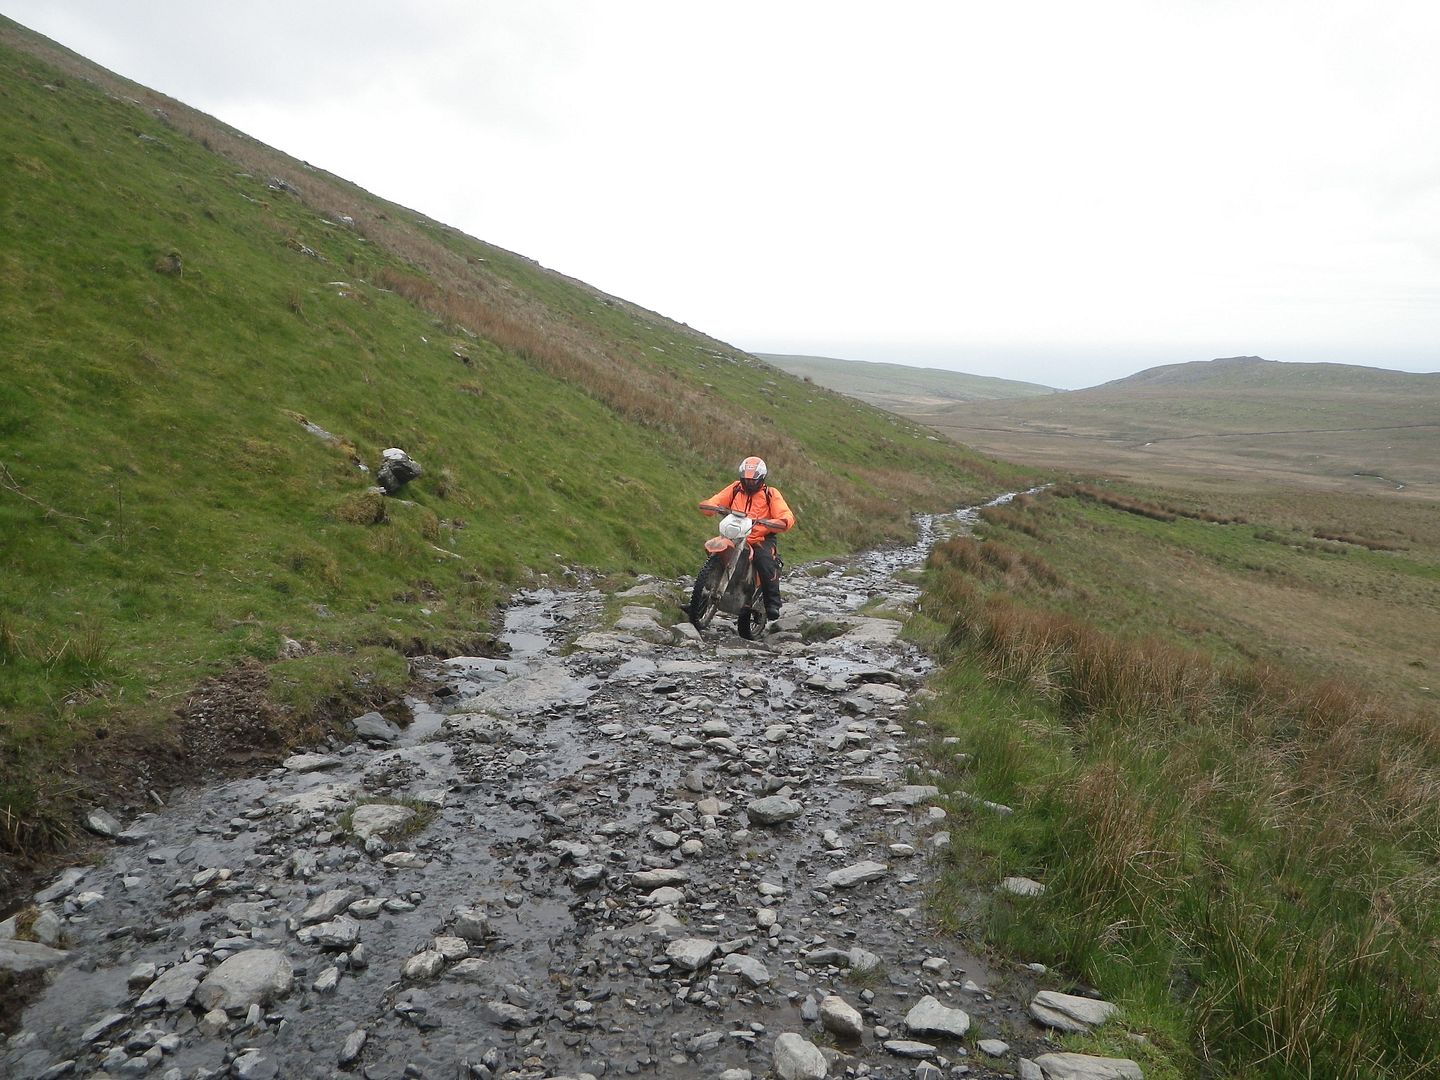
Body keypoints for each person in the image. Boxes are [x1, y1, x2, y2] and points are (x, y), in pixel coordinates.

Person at [699, 455, 795, 619]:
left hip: (760, 539)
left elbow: (785, 513)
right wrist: (710, 506)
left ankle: (772, 603)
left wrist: (782, 521)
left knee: (765, 562)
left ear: (761, 478)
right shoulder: (735, 488)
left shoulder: (770, 493)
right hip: (734, 535)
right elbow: (717, 500)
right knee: (715, 555)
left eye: (753, 480)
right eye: (746, 479)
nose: (749, 483)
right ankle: (698, 602)